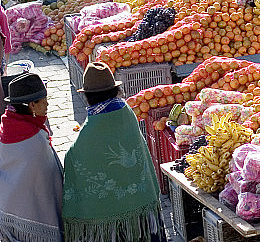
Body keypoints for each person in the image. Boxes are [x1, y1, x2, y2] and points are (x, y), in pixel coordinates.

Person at [62, 62, 164, 242]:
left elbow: (74, 156)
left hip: (113, 231)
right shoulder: (125, 112)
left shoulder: (92, 128)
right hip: (141, 212)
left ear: (88, 96)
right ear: (114, 90)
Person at [0, 72, 63, 242]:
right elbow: (50, 186)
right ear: (31, 106)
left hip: (8, 217)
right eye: (43, 100)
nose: (47, 103)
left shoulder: (6, 127)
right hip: (36, 225)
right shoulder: (35, 141)